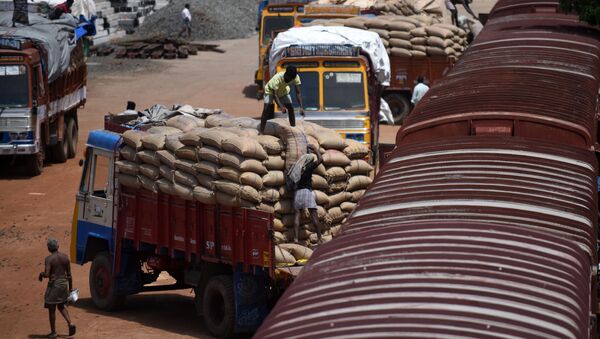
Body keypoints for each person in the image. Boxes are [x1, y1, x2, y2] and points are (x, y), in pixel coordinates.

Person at [39, 238, 76, 339]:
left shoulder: (49, 259)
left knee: (51, 308)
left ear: (49, 248)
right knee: (61, 305)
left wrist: (41, 274)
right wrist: (71, 289)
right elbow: (69, 275)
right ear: (57, 246)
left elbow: (47, 274)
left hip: (55, 284)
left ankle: (53, 332)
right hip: (64, 283)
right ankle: (70, 323)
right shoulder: (65, 257)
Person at [289, 144, 323, 244]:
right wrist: (316, 150)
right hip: (307, 192)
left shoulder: (298, 168)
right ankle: (320, 238)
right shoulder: (309, 166)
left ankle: (295, 238)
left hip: (298, 193)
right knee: (314, 215)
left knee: (297, 215)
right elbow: (321, 160)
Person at [259, 66, 304, 133]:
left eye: (292, 78)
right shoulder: (277, 78)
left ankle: (293, 128)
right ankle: (261, 131)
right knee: (266, 108)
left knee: (290, 108)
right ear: (286, 74)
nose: (291, 80)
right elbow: (275, 95)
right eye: (290, 78)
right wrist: (281, 106)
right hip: (270, 91)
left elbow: (298, 93)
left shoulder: (295, 77)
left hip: (283, 91)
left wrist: (301, 107)